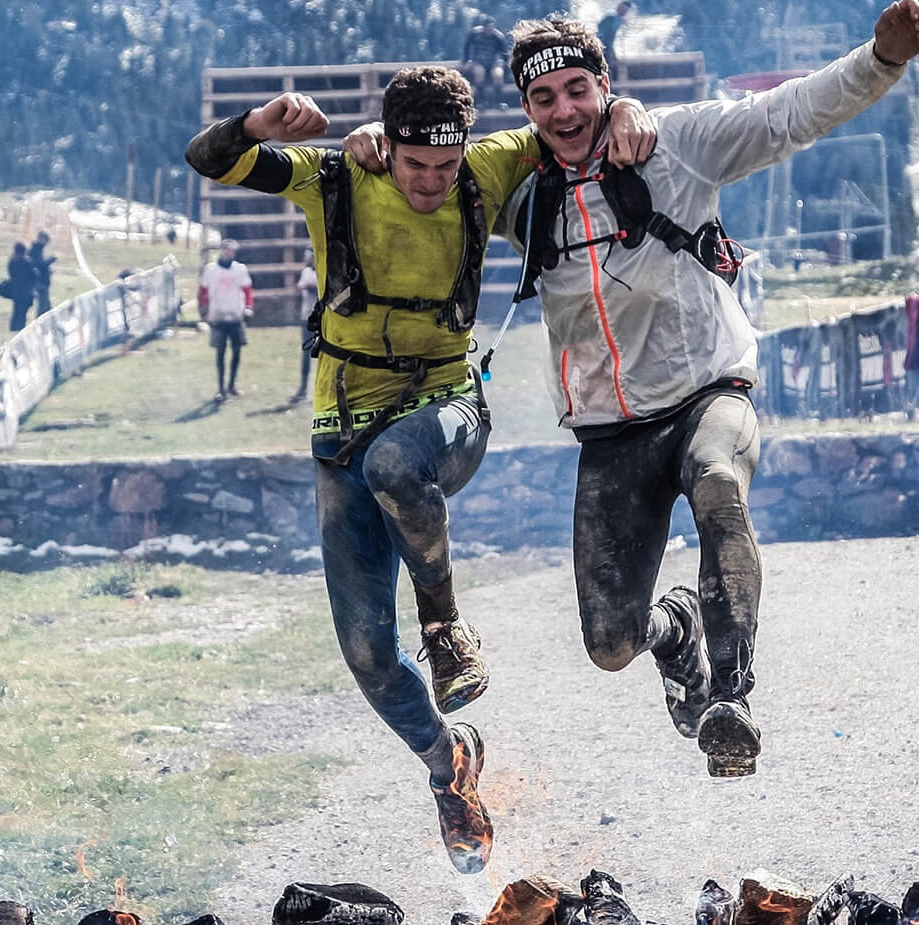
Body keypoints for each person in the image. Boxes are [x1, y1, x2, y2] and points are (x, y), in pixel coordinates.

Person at [186, 66, 653, 875]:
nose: (434, 183)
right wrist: (260, 122)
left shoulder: (488, 164)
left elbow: (580, 118)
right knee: (365, 654)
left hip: (447, 412)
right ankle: (449, 763)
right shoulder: (336, 175)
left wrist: (632, 106)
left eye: (446, 166)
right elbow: (210, 159)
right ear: (385, 146)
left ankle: (444, 626)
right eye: (415, 167)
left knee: (400, 465)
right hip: (341, 433)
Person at [495, 2, 919, 778]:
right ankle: (679, 629)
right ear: (526, 109)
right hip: (610, 432)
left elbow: (785, 115)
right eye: (544, 98)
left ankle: (731, 694)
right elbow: (419, 181)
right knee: (609, 645)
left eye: (578, 89)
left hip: (708, 391)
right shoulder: (521, 195)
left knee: (718, 485)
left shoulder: (679, 143)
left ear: (605, 83)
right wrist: (369, 146)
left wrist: (881, 59)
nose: (564, 110)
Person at [198, 240, 255, 400]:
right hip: (218, 316)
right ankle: (220, 388)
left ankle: (232, 385)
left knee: (236, 352)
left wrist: (248, 307)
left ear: (234, 253)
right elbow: (203, 290)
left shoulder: (240, 269)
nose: (228, 253)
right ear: (221, 251)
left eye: (231, 251)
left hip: (235, 316)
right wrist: (203, 309)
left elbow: (248, 290)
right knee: (220, 352)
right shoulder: (210, 269)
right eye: (225, 250)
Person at [460, 14, 513, 106]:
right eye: (488, 28)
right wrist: (465, 60)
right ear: (483, 27)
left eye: (491, 28)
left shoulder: (498, 37)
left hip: (493, 62)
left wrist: (507, 66)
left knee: (498, 76)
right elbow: (466, 47)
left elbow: (504, 54)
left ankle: (499, 102)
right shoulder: (474, 34)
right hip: (478, 61)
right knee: (479, 74)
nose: (489, 31)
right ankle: (482, 102)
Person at [292, 251, 318, 402]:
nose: (305, 259)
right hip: (307, 317)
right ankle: (303, 389)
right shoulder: (306, 272)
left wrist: (310, 287)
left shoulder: (322, 272)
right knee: (306, 354)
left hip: (320, 318)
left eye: (308, 256)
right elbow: (299, 287)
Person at [597, 1, 633, 81]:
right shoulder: (611, 16)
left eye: (626, 11)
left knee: (610, 69)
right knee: (605, 70)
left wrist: (612, 52)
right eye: (623, 9)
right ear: (619, 7)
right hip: (602, 47)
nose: (624, 12)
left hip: (608, 48)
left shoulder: (619, 19)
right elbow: (601, 34)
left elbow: (611, 38)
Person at [5, 242, 37, 331]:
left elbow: (11, 274)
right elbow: (34, 276)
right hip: (26, 292)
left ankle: (13, 329)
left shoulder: (12, 261)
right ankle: (20, 330)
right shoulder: (26, 262)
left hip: (16, 291)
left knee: (16, 311)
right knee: (22, 314)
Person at [30, 230, 57, 315]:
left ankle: (47, 324)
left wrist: (48, 271)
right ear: (40, 239)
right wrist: (51, 259)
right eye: (45, 240)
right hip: (40, 283)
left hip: (43, 282)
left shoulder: (39, 250)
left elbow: (41, 266)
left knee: (47, 307)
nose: (46, 243)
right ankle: (39, 326)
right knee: (43, 308)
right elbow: (40, 265)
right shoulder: (34, 250)